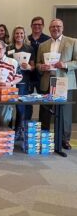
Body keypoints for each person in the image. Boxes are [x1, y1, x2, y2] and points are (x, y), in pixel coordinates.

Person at [36, 18, 77, 150]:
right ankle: (44, 137)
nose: (55, 29)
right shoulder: (43, 45)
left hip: (64, 82)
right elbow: (37, 63)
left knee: (65, 112)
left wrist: (64, 64)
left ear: (62, 28)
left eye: (58, 26)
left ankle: (64, 139)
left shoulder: (72, 42)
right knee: (45, 111)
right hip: (47, 81)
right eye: (53, 26)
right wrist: (40, 67)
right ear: (49, 29)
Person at [6, 26, 35, 137]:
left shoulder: (29, 48)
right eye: (17, 33)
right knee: (8, 106)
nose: (19, 35)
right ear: (14, 35)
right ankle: (7, 129)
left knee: (20, 106)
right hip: (10, 81)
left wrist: (28, 67)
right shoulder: (9, 48)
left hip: (23, 81)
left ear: (24, 35)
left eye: (21, 33)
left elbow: (33, 67)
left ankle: (18, 130)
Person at [28, 16, 51, 94]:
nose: (37, 26)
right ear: (31, 26)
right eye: (34, 24)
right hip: (28, 74)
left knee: (44, 100)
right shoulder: (26, 39)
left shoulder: (48, 40)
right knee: (26, 100)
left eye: (39, 24)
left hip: (43, 75)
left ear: (43, 26)